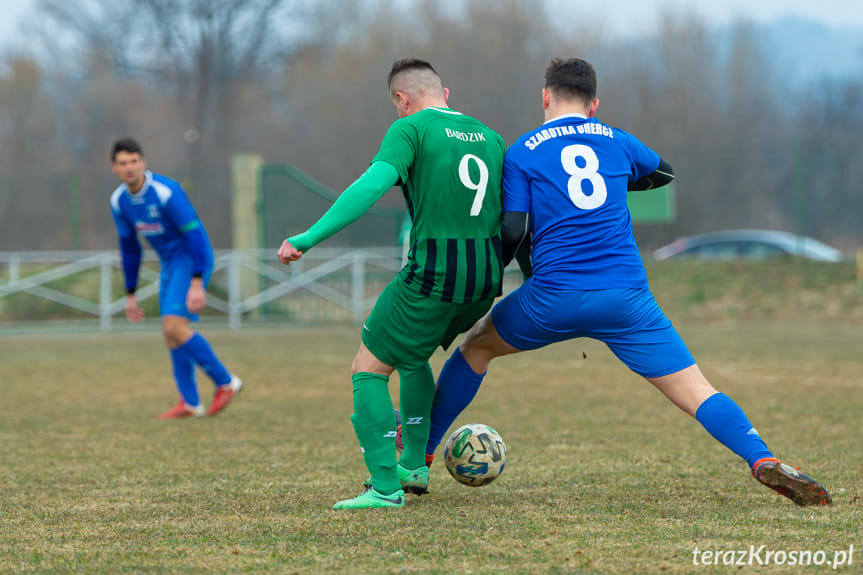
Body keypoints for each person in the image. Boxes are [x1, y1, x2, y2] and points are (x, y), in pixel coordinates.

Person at [421, 57, 831, 506]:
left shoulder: (523, 150)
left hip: (552, 297)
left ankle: (419, 457)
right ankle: (761, 458)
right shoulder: (618, 140)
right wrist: (616, 184)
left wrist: (493, 274)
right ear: (594, 104)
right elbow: (664, 172)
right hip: (626, 300)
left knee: (477, 346)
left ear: (545, 97)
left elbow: (515, 229)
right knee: (698, 391)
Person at [277, 58, 506, 510]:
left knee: (367, 367)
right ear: (446, 92)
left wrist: (307, 238)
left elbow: (369, 188)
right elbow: (516, 214)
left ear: (401, 99)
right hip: (484, 280)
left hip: (435, 274)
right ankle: (414, 465)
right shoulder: (492, 137)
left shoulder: (410, 129)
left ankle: (384, 487)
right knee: (413, 355)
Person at [109, 138, 242, 419]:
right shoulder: (119, 202)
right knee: (170, 332)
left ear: (143, 162)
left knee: (174, 326)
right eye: (123, 163)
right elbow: (130, 249)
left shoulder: (166, 192)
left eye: (134, 161)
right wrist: (130, 293)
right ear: (114, 167)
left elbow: (194, 235)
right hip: (169, 263)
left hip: (191, 259)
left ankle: (226, 382)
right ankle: (191, 403)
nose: (129, 167)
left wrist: (196, 282)